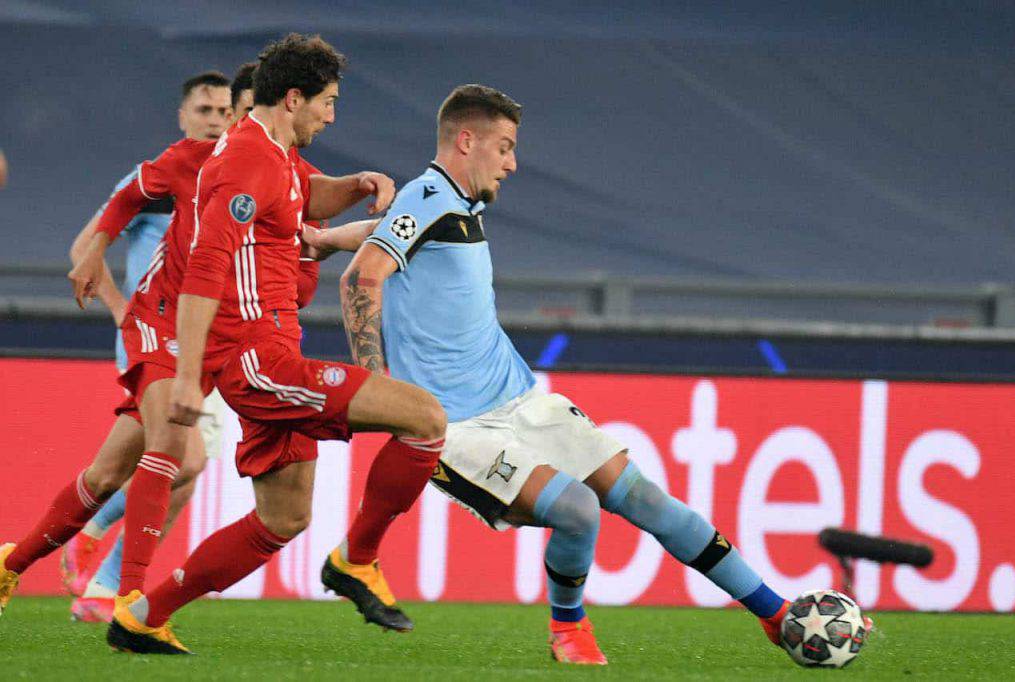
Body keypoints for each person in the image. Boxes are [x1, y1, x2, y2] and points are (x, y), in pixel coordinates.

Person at [336, 84, 792, 666]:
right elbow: (361, 280)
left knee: (645, 498)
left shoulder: (453, 204)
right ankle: (568, 631)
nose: (512, 162)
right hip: (460, 427)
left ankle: (776, 613)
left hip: (522, 400)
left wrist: (325, 238)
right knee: (577, 509)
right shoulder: (429, 194)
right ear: (466, 140)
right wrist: (378, 389)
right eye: (504, 147)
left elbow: (394, 236)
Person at [105, 33, 446, 655]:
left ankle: (142, 616)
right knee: (425, 418)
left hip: (269, 351)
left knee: (285, 518)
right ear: (294, 98)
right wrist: (186, 379)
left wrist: (356, 183)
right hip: (258, 362)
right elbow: (207, 266)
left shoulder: (273, 154)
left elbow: (295, 202)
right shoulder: (244, 161)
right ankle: (358, 560)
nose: (332, 115)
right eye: (329, 102)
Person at [0, 71, 235, 622]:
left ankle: (36, 564)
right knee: (182, 455)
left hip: (200, 344)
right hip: (152, 337)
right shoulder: (159, 176)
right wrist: (120, 309)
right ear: (182, 117)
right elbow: (86, 246)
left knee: (120, 474)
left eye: (225, 111)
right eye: (204, 110)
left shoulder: (230, 179)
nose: (215, 120)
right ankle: (118, 585)